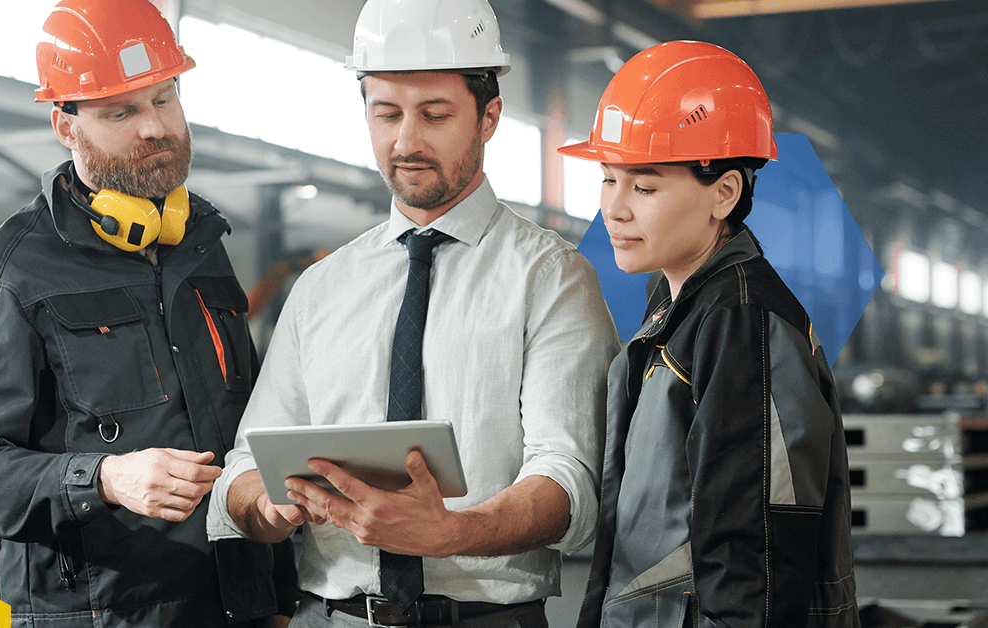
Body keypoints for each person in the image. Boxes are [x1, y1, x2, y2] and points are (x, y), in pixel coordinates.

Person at [207, 0, 619, 626]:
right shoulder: (321, 288)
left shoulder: (551, 279)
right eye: (386, 113)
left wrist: (449, 531)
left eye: (434, 114)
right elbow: (243, 467)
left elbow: (570, 482)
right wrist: (265, 508)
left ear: (489, 117)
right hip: (330, 615)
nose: (405, 141)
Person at [0, 1, 297, 625]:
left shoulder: (202, 247)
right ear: (64, 124)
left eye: (163, 98)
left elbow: (252, 438)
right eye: (119, 111)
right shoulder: (5, 274)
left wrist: (279, 597)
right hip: (100, 615)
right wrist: (100, 478)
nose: (153, 128)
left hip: (238, 607)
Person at [558, 40, 859, 627]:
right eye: (608, 180)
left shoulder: (741, 321)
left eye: (643, 187)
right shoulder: (677, 305)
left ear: (724, 192)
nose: (614, 210)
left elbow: (756, 553)